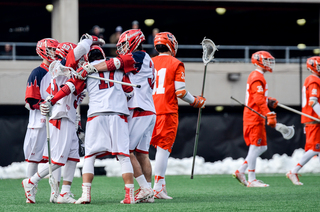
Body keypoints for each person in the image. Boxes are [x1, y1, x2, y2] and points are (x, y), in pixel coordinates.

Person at [22, 34, 105, 204]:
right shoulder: (61, 65)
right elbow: (79, 53)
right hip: (60, 115)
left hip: (69, 115)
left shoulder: (66, 68)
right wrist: (91, 40)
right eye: (79, 57)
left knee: (73, 156)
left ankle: (64, 193)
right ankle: (31, 181)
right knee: (59, 159)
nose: (82, 59)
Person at [77, 29, 155, 204]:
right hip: (145, 109)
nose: (123, 49)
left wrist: (89, 68)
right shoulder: (143, 59)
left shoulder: (138, 56)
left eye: (126, 44)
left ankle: (145, 188)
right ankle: (147, 191)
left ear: (135, 42)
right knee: (141, 153)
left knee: (125, 152)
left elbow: (116, 64)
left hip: (138, 108)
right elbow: (126, 85)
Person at [150, 32, 206, 199]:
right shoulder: (176, 63)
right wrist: (196, 101)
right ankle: (158, 187)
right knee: (163, 149)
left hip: (148, 110)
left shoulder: (150, 62)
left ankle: (156, 185)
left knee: (145, 150)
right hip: (166, 111)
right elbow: (180, 92)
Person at [233, 50, 278, 187]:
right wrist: (268, 113)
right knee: (258, 146)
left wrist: (268, 100)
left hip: (255, 115)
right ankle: (247, 175)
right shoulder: (257, 76)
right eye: (266, 61)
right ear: (258, 61)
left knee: (259, 146)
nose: (269, 64)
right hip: (254, 116)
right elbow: (258, 99)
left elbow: (258, 97)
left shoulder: (258, 76)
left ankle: (246, 175)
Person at [23, 38, 59, 203]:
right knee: (34, 158)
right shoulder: (37, 72)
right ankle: (31, 191)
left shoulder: (59, 70)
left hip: (56, 122)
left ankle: (56, 192)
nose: (55, 53)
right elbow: (30, 100)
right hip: (38, 123)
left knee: (56, 158)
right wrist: (40, 106)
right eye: (52, 50)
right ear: (43, 51)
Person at [286, 56, 320, 185]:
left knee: (316, 148)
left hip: (314, 118)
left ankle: (294, 171)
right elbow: (313, 101)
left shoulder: (313, 79)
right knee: (314, 148)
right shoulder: (313, 80)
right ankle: (293, 171)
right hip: (313, 119)